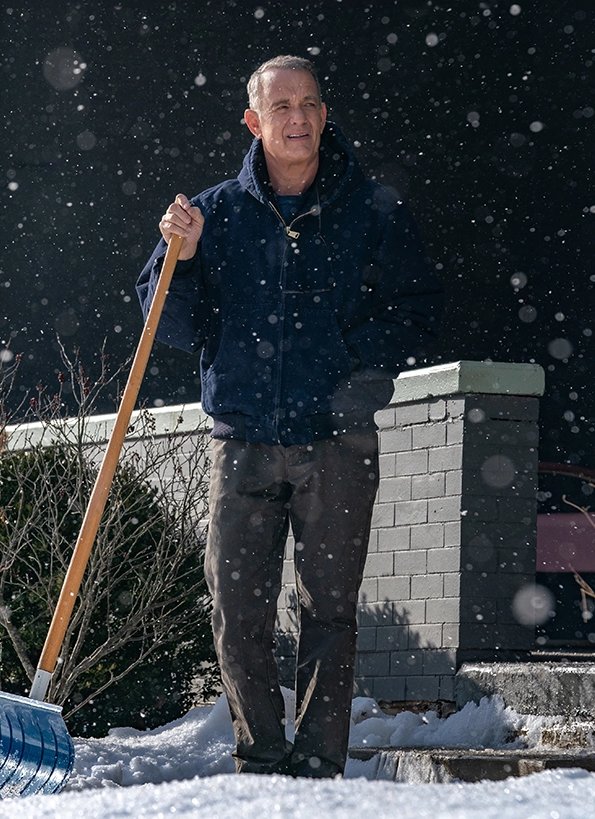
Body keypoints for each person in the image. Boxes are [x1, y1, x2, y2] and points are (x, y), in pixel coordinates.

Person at [136, 55, 442, 778]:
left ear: (324, 114)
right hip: (241, 440)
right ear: (254, 121)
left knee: (329, 613)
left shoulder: (371, 208)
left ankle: (318, 764)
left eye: (308, 104)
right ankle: (261, 757)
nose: (297, 118)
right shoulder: (213, 214)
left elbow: (415, 307)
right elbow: (166, 324)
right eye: (281, 107)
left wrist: (356, 374)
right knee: (236, 611)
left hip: (337, 441)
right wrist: (179, 257)